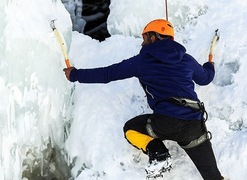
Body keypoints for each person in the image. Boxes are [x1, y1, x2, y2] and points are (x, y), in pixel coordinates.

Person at [63, 19, 223, 180]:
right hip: (194, 126)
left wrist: (75, 74)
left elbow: (107, 74)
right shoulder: (186, 59)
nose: (142, 42)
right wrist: (209, 64)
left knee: (131, 128)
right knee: (213, 176)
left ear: (153, 37)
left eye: (145, 37)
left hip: (165, 123)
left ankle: (159, 154)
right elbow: (205, 78)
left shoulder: (142, 61)